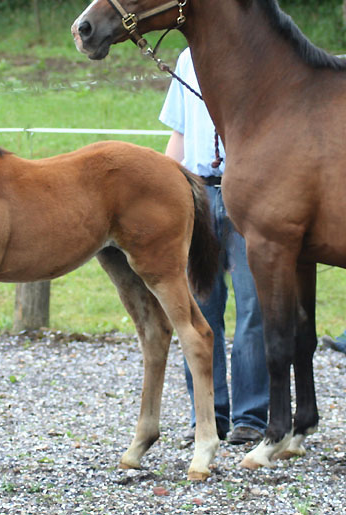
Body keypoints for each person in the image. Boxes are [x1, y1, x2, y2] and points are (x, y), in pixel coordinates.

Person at [159, 48, 269, 445]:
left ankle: (252, 417)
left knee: (253, 306)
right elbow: (180, 132)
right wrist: (164, 196)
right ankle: (207, 416)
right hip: (199, 194)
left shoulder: (256, 49)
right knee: (199, 311)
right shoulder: (188, 58)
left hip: (250, 193)